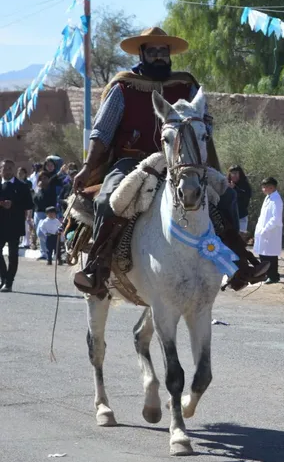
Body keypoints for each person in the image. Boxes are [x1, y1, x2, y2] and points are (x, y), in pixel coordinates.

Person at [71, 27, 268, 297]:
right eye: (152, 51)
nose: (159, 56)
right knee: (107, 201)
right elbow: (102, 133)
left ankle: (237, 262)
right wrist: (87, 167)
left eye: (163, 51)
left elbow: (205, 128)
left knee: (227, 196)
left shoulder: (186, 85)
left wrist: (211, 166)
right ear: (142, 54)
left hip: (182, 163)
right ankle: (98, 266)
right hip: (132, 162)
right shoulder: (123, 86)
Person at [0, 159, 33, 292]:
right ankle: (4, 278)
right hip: (0, 224)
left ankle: (9, 282)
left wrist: (13, 205)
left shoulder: (22, 186)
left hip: (15, 225)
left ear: (13, 170)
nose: (7, 171)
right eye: (4, 168)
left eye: (9, 168)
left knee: (13, 255)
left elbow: (29, 204)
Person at [253, 177, 283, 284]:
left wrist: (266, 229)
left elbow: (276, 217)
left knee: (270, 255)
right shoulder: (268, 198)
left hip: (271, 231)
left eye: (265, 187)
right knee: (264, 254)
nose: (263, 189)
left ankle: (273, 276)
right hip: (264, 230)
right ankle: (266, 275)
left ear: (271, 187)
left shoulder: (276, 199)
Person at [32, 172, 60, 260]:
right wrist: (39, 189)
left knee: (50, 233)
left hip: (48, 214)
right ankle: (44, 252)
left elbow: (46, 201)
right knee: (40, 233)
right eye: (41, 178)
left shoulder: (51, 189)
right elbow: (35, 200)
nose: (43, 180)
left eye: (45, 178)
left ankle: (52, 250)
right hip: (38, 213)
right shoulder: (38, 189)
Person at [228, 165, 253, 234]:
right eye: (232, 173)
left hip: (241, 217)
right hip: (228, 218)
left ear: (240, 174)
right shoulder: (226, 184)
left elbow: (244, 200)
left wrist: (233, 190)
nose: (233, 175)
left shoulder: (245, 185)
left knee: (240, 238)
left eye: (236, 173)